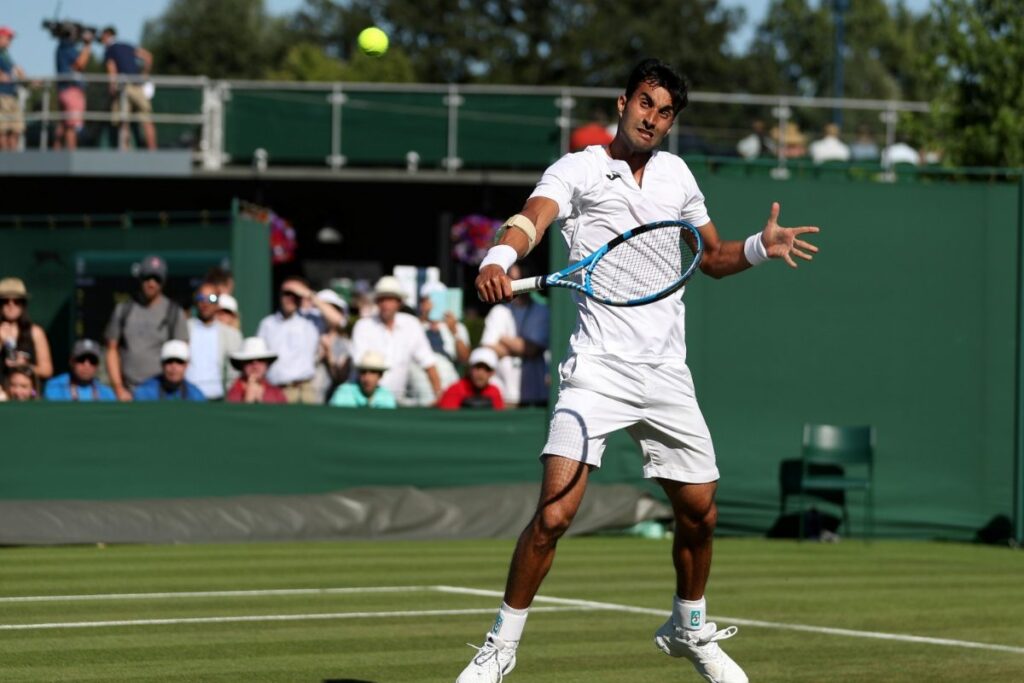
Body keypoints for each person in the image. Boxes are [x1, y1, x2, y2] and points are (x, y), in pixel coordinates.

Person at [461, 58, 820, 683]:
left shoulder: (678, 176)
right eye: (645, 104)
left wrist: (762, 247)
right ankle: (499, 648)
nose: (652, 119)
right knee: (552, 517)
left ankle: (687, 626)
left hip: (665, 375)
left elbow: (709, 257)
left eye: (665, 113)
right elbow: (532, 218)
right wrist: (499, 253)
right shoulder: (578, 168)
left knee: (701, 511)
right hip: (597, 370)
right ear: (623, 102)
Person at [104, 255, 189, 401]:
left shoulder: (174, 312)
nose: (151, 283)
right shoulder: (124, 309)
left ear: (163, 282)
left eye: (157, 279)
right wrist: (118, 388)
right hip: (128, 391)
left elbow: (182, 354)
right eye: (147, 278)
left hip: (162, 392)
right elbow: (111, 349)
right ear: (140, 279)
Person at [350, 276, 441, 405]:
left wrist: (438, 397)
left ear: (399, 303)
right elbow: (360, 365)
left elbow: (429, 363)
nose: (386, 304)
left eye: (390, 299)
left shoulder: (411, 325)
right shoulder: (363, 326)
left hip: (395, 402)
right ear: (377, 302)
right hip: (361, 400)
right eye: (382, 299)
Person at [256, 276, 340, 404]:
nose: (290, 298)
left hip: (305, 389)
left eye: (295, 295)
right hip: (275, 389)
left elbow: (338, 321)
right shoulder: (267, 324)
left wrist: (309, 294)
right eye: (286, 294)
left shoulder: (311, 320)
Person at [480, 264, 550, 408]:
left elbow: (532, 350)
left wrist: (502, 339)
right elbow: (487, 347)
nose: (515, 283)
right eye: (511, 278)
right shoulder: (498, 311)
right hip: (503, 393)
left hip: (534, 395)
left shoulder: (542, 311)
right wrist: (521, 347)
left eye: (519, 279)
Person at [100, 26, 156, 151]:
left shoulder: (110, 50)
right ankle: (153, 153)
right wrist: (144, 76)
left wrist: (112, 88)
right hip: (138, 86)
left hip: (124, 88)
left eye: (102, 37)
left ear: (107, 35)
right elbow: (148, 57)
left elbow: (112, 71)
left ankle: (125, 152)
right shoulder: (127, 46)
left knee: (123, 122)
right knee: (147, 120)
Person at [185, 282, 242, 400]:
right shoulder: (184, 329)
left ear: (218, 303)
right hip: (188, 399)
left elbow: (235, 372)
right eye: (201, 298)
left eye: (211, 298)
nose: (205, 303)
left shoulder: (232, 335)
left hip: (218, 399)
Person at [0, 277, 53, 383]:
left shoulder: (35, 332)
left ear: (23, 304)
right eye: (5, 301)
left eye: (17, 301)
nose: (11, 305)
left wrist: (25, 366)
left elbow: (47, 371)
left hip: (27, 395)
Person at [53, 23, 93, 150]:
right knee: (72, 126)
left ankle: (55, 156)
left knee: (63, 125)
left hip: (63, 90)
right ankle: (71, 154)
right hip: (71, 91)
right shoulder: (67, 47)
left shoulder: (61, 47)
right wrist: (87, 45)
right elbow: (80, 64)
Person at [43, 338, 116, 401]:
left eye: (92, 361)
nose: (87, 365)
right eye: (81, 359)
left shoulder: (107, 393)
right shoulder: (55, 387)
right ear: (72, 362)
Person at [313, 288, 352, 403]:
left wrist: (329, 354)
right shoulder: (309, 336)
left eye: (332, 308)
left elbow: (342, 378)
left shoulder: (345, 344)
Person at [132, 340, 205, 401]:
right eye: (169, 361)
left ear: (186, 365)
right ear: (162, 364)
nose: (174, 367)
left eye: (179, 362)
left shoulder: (196, 396)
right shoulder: (145, 392)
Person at [437, 347, 505, 411]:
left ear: (492, 373)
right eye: (477, 367)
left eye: (486, 369)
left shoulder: (494, 391)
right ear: (470, 369)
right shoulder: (455, 390)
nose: (480, 373)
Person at [225, 337, 287, 404]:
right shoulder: (232, 393)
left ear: (267, 364)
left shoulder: (276, 393)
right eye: (249, 360)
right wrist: (247, 400)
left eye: (261, 360)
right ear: (241, 364)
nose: (255, 366)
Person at [328, 350, 397, 409]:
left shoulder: (386, 397)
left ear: (380, 375)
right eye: (363, 372)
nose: (367, 378)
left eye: (373, 372)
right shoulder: (343, 393)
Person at [0, 27, 26, 151]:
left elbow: (16, 71)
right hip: (2, 95)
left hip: (11, 95)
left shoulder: (6, 54)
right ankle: (4, 159)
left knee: (16, 128)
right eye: (8, 37)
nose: (10, 41)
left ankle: (12, 157)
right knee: (3, 129)